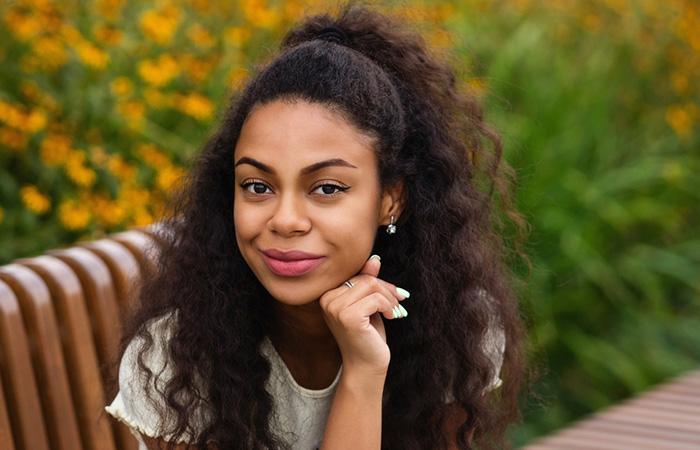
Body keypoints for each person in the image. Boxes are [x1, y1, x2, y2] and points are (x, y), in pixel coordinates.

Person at [104, 2, 529, 449]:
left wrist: (365, 366)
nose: (285, 220)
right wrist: (362, 378)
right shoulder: (177, 359)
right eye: (256, 185)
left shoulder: (455, 329)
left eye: (326, 188)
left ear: (390, 200)